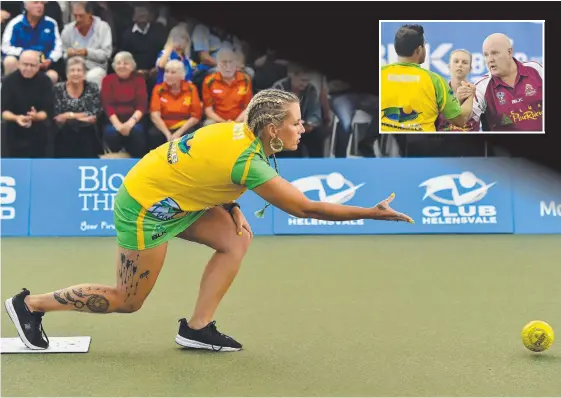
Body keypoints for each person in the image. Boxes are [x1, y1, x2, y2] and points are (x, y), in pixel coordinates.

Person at [4, 88, 414, 353]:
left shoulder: (243, 132)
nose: (302, 127)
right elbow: (306, 208)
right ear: (272, 128)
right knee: (127, 301)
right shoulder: (248, 159)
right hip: (146, 205)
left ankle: (196, 328)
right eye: (295, 122)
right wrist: (371, 212)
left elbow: (209, 169)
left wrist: (232, 206)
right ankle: (30, 305)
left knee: (236, 239)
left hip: (178, 196)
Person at [380, 24, 474, 132]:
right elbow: (460, 120)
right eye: (424, 45)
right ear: (419, 49)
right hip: (422, 145)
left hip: (387, 145)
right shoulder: (435, 81)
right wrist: (470, 95)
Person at [471, 33, 543, 132]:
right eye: (486, 55)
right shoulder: (481, 87)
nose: (490, 59)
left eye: (495, 53)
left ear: (509, 52)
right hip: (505, 147)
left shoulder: (536, 70)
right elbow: (465, 122)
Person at [1, 50, 54, 158]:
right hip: (14, 130)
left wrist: (36, 116)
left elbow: (48, 110)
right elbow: (4, 112)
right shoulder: (8, 81)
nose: (28, 68)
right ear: (18, 64)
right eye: (25, 64)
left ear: (39, 66)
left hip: (39, 131)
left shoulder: (45, 81)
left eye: (32, 65)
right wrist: (17, 118)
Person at [100, 51, 148, 158]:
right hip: (113, 120)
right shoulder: (107, 80)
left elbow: (142, 105)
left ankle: (138, 162)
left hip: (134, 120)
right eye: (118, 63)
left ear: (132, 66)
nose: (122, 66)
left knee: (137, 132)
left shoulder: (139, 80)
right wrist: (118, 125)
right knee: (111, 133)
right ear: (114, 66)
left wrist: (130, 124)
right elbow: (107, 106)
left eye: (126, 63)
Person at [1, 1, 62, 83]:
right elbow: (6, 47)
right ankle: (11, 93)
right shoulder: (15, 23)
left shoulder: (51, 23)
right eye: (36, 3)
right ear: (26, 6)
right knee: (9, 61)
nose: (40, 6)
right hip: (21, 62)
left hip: (42, 64)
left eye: (42, 3)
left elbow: (58, 48)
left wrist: (50, 59)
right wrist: (27, 56)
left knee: (53, 75)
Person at [53, 56, 101, 158]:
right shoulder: (58, 89)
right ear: (67, 74)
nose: (75, 73)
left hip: (87, 132)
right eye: (72, 70)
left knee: (78, 127)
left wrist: (68, 115)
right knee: (70, 126)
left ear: (84, 74)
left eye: (79, 70)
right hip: (63, 133)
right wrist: (81, 117)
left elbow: (94, 114)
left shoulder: (92, 88)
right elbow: (57, 117)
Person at [149, 59, 202, 148]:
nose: (168, 75)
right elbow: (155, 115)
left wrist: (178, 133)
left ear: (181, 75)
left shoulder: (191, 89)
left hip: (184, 126)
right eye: (167, 72)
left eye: (173, 73)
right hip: (164, 126)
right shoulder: (158, 89)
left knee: (191, 135)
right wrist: (167, 134)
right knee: (153, 134)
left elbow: (195, 116)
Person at [60, 1, 112, 88]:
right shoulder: (68, 30)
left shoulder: (103, 27)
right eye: (75, 16)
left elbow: (106, 54)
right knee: (74, 75)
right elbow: (62, 53)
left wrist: (87, 52)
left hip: (96, 67)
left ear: (90, 14)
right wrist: (68, 53)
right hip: (74, 67)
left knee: (92, 77)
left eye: (81, 16)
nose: (78, 19)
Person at [202, 48, 253, 126]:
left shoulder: (245, 79)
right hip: (217, 121)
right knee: (207, 124)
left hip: (240, 120)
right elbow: (208, 110)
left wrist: (235, 123)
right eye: (224, 62)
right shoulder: (209, 81)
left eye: (231, 62)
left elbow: (248, 107)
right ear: (218, 64)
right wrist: (224, 123)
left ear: (236, 63)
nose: (228, 66)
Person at [435, 50, 480, 132]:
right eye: (456, 61)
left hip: (471, 141)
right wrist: (456, 100)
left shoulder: (478, 93)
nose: (460, 65)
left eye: (464, 62)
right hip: (443, 141)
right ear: (449, 66)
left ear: (470, 69)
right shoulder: (439, 93)